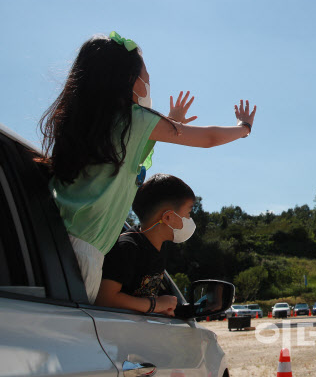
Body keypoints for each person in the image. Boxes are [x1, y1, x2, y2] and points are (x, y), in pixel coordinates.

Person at [39, 31, 256, 303]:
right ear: (128, 82)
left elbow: (131, 154)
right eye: (147, 80)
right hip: (80, 260)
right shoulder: (133, 120)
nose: (148, 86)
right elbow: (208, 138)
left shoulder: (82, 126)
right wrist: (243, 128)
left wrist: (168, 123)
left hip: (47, 244)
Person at [95, 174, 196, 315]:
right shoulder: (127, 248)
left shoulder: (161, 246)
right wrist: (155, 305)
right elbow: (105, 300)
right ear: (168, 217)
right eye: (188, 213)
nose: (190, 219)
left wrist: (163, 309)